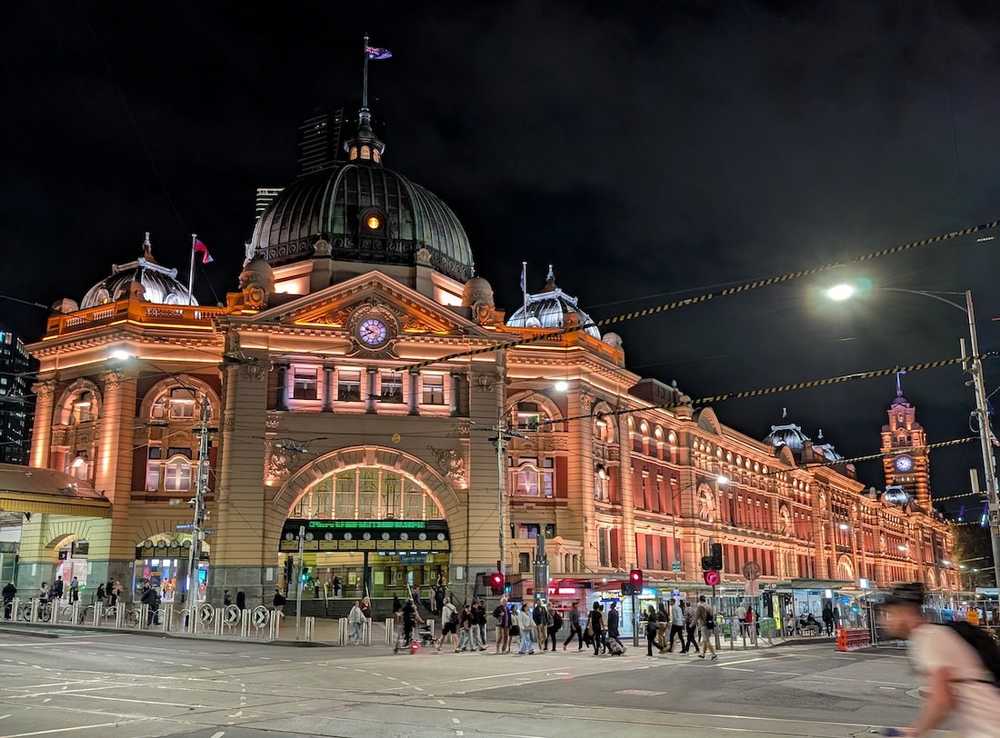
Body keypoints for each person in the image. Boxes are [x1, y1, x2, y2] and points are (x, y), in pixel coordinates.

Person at [884, 582, 1000, 738]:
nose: (886, 621)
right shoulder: (936, 634)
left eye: (890, 614)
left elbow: (942, 701)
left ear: (906, 612)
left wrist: (914, 732)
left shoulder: (927, 637)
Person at [696, 595, 717, 661]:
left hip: (704, 625)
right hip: (710, 625)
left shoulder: (700, 606)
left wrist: (692, 624)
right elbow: (712, 615)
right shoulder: (709, 606)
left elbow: (697, 616)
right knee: (705, 640)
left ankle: (714, 654)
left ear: (700, 600)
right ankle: (703, 654)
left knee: (707, 640)